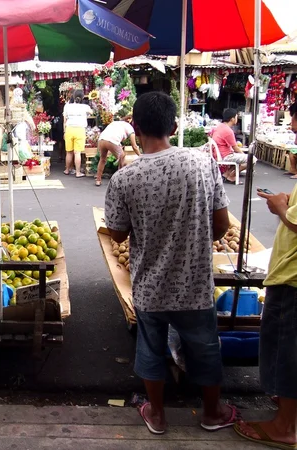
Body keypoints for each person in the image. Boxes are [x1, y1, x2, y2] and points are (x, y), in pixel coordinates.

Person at [105, 92, 236, 435]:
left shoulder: (124, 178)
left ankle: (158, 416)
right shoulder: (202, 163)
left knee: (150, 348)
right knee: (205, 347)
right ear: (174, 126)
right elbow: (222, 225)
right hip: (194, 285)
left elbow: (117, 235)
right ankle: (212, 412)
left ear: (135, 127)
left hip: (150, 285)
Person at [234, 102, 297, 449]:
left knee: (286, 350)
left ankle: (285, 426)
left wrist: (280, 208)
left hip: (292, 279)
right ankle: (287, 409)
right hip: (288, 273)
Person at [95, 116, 141, 187]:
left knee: (102, 159)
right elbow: (134, 146)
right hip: (112, 141)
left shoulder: (116, 123)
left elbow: (113, 134)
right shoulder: (130, 128)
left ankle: (98, 180)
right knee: (122, 157)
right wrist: (141, 155)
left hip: (101, 139)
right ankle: (120, 181)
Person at [211, 108, 254, 184]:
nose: (237, 118)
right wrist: (245, 156)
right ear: (232, 119)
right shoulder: (228, 131)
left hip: (220, 154)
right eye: (236, 117)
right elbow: (235, 148)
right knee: (252, 159)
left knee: (241, 158)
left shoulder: (219, 127)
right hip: (225, 156)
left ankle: (227, 174)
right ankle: (232, 175)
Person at [63, 89, 92, 177]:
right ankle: (78, 172)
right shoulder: (85, 107)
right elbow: (92, 112)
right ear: (83, 97)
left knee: (69, 152)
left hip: (69, 129)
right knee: (77, 152)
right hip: (80, 130)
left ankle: (67, 170)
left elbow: (64, 120)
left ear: (73, 97)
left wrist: (64, 131)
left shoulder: (67, 106)